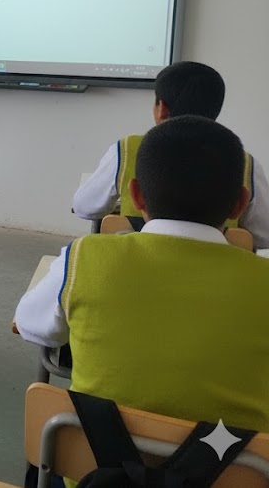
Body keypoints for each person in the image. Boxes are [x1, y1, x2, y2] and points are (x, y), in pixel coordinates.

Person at [16, 116, 269, 433]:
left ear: (135, 196)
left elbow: (31, 326)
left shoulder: (84, 258)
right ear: (240, 204)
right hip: (230, 461)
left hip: (94, 457)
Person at [74, 61, 269, 245]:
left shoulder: (126, 150)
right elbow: (265, 235)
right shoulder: (244, 162)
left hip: (137, 261)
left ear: (162, 109)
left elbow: (84, 207)